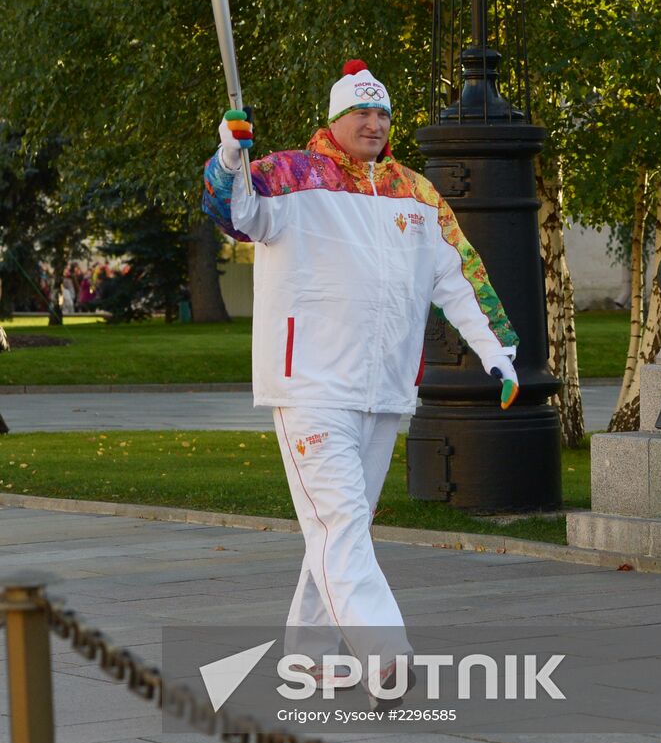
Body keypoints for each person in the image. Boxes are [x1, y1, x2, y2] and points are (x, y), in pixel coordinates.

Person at [202, 60, 519, 704]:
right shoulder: (290, 176)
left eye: (381, 114)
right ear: (335, 118)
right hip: (310, 387)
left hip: (384, 392)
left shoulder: (416, 194)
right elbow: (231, 211)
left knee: (338, 527)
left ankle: (310, 659)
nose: (373, 124)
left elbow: (460, 278)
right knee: (341, 522)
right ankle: (385, 654)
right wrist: (231, 155)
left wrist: (498, 352)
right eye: (360, 113)